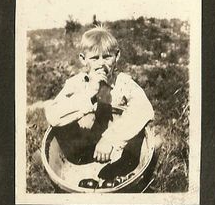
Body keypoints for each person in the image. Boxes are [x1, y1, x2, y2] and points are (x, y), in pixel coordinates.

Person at [44, 26, 154, 189]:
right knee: (39, 156)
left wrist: (111, 138)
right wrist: (90, 92)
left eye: (107, 57)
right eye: (95, 58)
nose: (101, 64)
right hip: (81, 153)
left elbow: (143, 109)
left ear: (117, 56)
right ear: (83, 59)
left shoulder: (123, 83)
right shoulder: (76, 84)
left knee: (156, 143)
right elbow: (53, 114)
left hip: (117, 153)